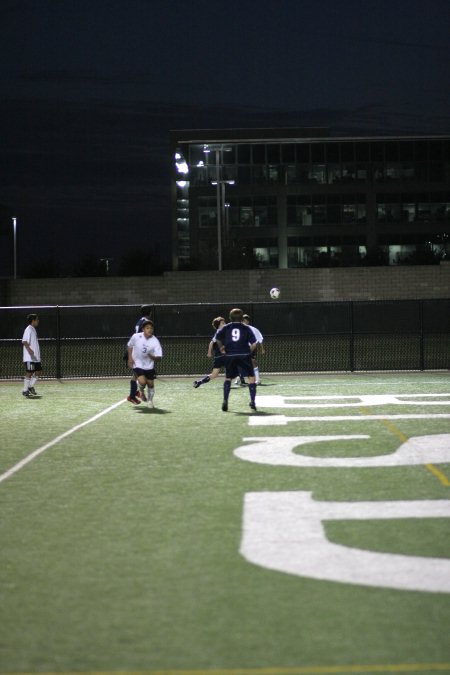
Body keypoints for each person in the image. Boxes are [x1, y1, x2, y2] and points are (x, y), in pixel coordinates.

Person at [215, 308, 257, 412]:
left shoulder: (226, 327)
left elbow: (218, 338)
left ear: (230, 318)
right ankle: (252, 401)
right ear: (242, 318)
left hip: (230, 355)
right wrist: (249, 352)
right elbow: (254, 343)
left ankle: (225, 400)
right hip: (244, 355)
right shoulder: (246, 328)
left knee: (228, 378)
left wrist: (221, 348)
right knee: (251, 378)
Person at [127, 319, 162, 407]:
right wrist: (130, 358)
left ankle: (150, 401)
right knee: (142, 382)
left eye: (151, 328)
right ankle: (141, 391)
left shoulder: (155, 341)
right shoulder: (136, 336)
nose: (149, 330)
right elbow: (129, 346)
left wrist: (152, 357)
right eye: (147, 328)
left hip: (149, 366)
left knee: (150, 384)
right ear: (143, 329)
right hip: (137, 363)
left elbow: (159, 358)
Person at [126, 304, 153, 404]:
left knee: (137, 375)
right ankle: (132, 395)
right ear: (149, 312)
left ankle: (136, 392)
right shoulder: (146, 322)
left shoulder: (140, 321)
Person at [193, 316, 226, 388]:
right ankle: (229, 383)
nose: (225, 324)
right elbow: (212, 342)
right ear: (219, 325)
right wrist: (209, 352)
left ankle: (199, 382)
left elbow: (212, 342)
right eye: (223, 323)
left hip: (218, 357)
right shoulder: (221, 332)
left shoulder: (219, 332)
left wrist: (209, 352)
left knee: (214, 374)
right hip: (224, 356)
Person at [234, 314, 265, 385]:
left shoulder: (253, 329)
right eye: (242, 321)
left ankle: (258, 379)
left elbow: (260, 339)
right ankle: (239, 378)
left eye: (246, 321)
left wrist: (262, 349)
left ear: (248, 322)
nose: (244, 322)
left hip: (251, 348)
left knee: (253, 362)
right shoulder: (238, 329)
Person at [21, 313, 42, 398]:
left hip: (35, 357)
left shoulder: (33, 329)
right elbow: (24, 341)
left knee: (38, 372)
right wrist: (29, 350)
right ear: (33, 320)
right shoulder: (28, 329)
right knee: (29, 373)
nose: (38, 321)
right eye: (37, 319)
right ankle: (25, 390)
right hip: (29, 357)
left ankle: (30, 386)